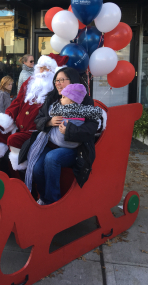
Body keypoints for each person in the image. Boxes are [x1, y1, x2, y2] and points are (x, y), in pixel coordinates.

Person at [18, 67, 101, 206]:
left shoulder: (85, 102)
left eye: (62, 80)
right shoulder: (52, 99)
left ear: (73, 81)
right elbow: (38, 120)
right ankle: (43, 199)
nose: (58, 83)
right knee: (37, 167)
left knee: (52, 158)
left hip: (74, 147)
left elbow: (91, 129)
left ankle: (53, 202)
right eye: (56, 80)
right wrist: (49, 122)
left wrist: (69, 130)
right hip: (48, 142)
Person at [0, 54, 68, 173]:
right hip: (18, 127)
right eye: (40, 68)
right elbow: (17, 103)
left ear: (54, 71)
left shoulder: (56, 89)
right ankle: (0, 172)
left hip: (37, 132)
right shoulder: (30, 82)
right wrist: (2, 121)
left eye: (46, 68)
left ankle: (20, 177)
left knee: (14, 140)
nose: (42, 71)